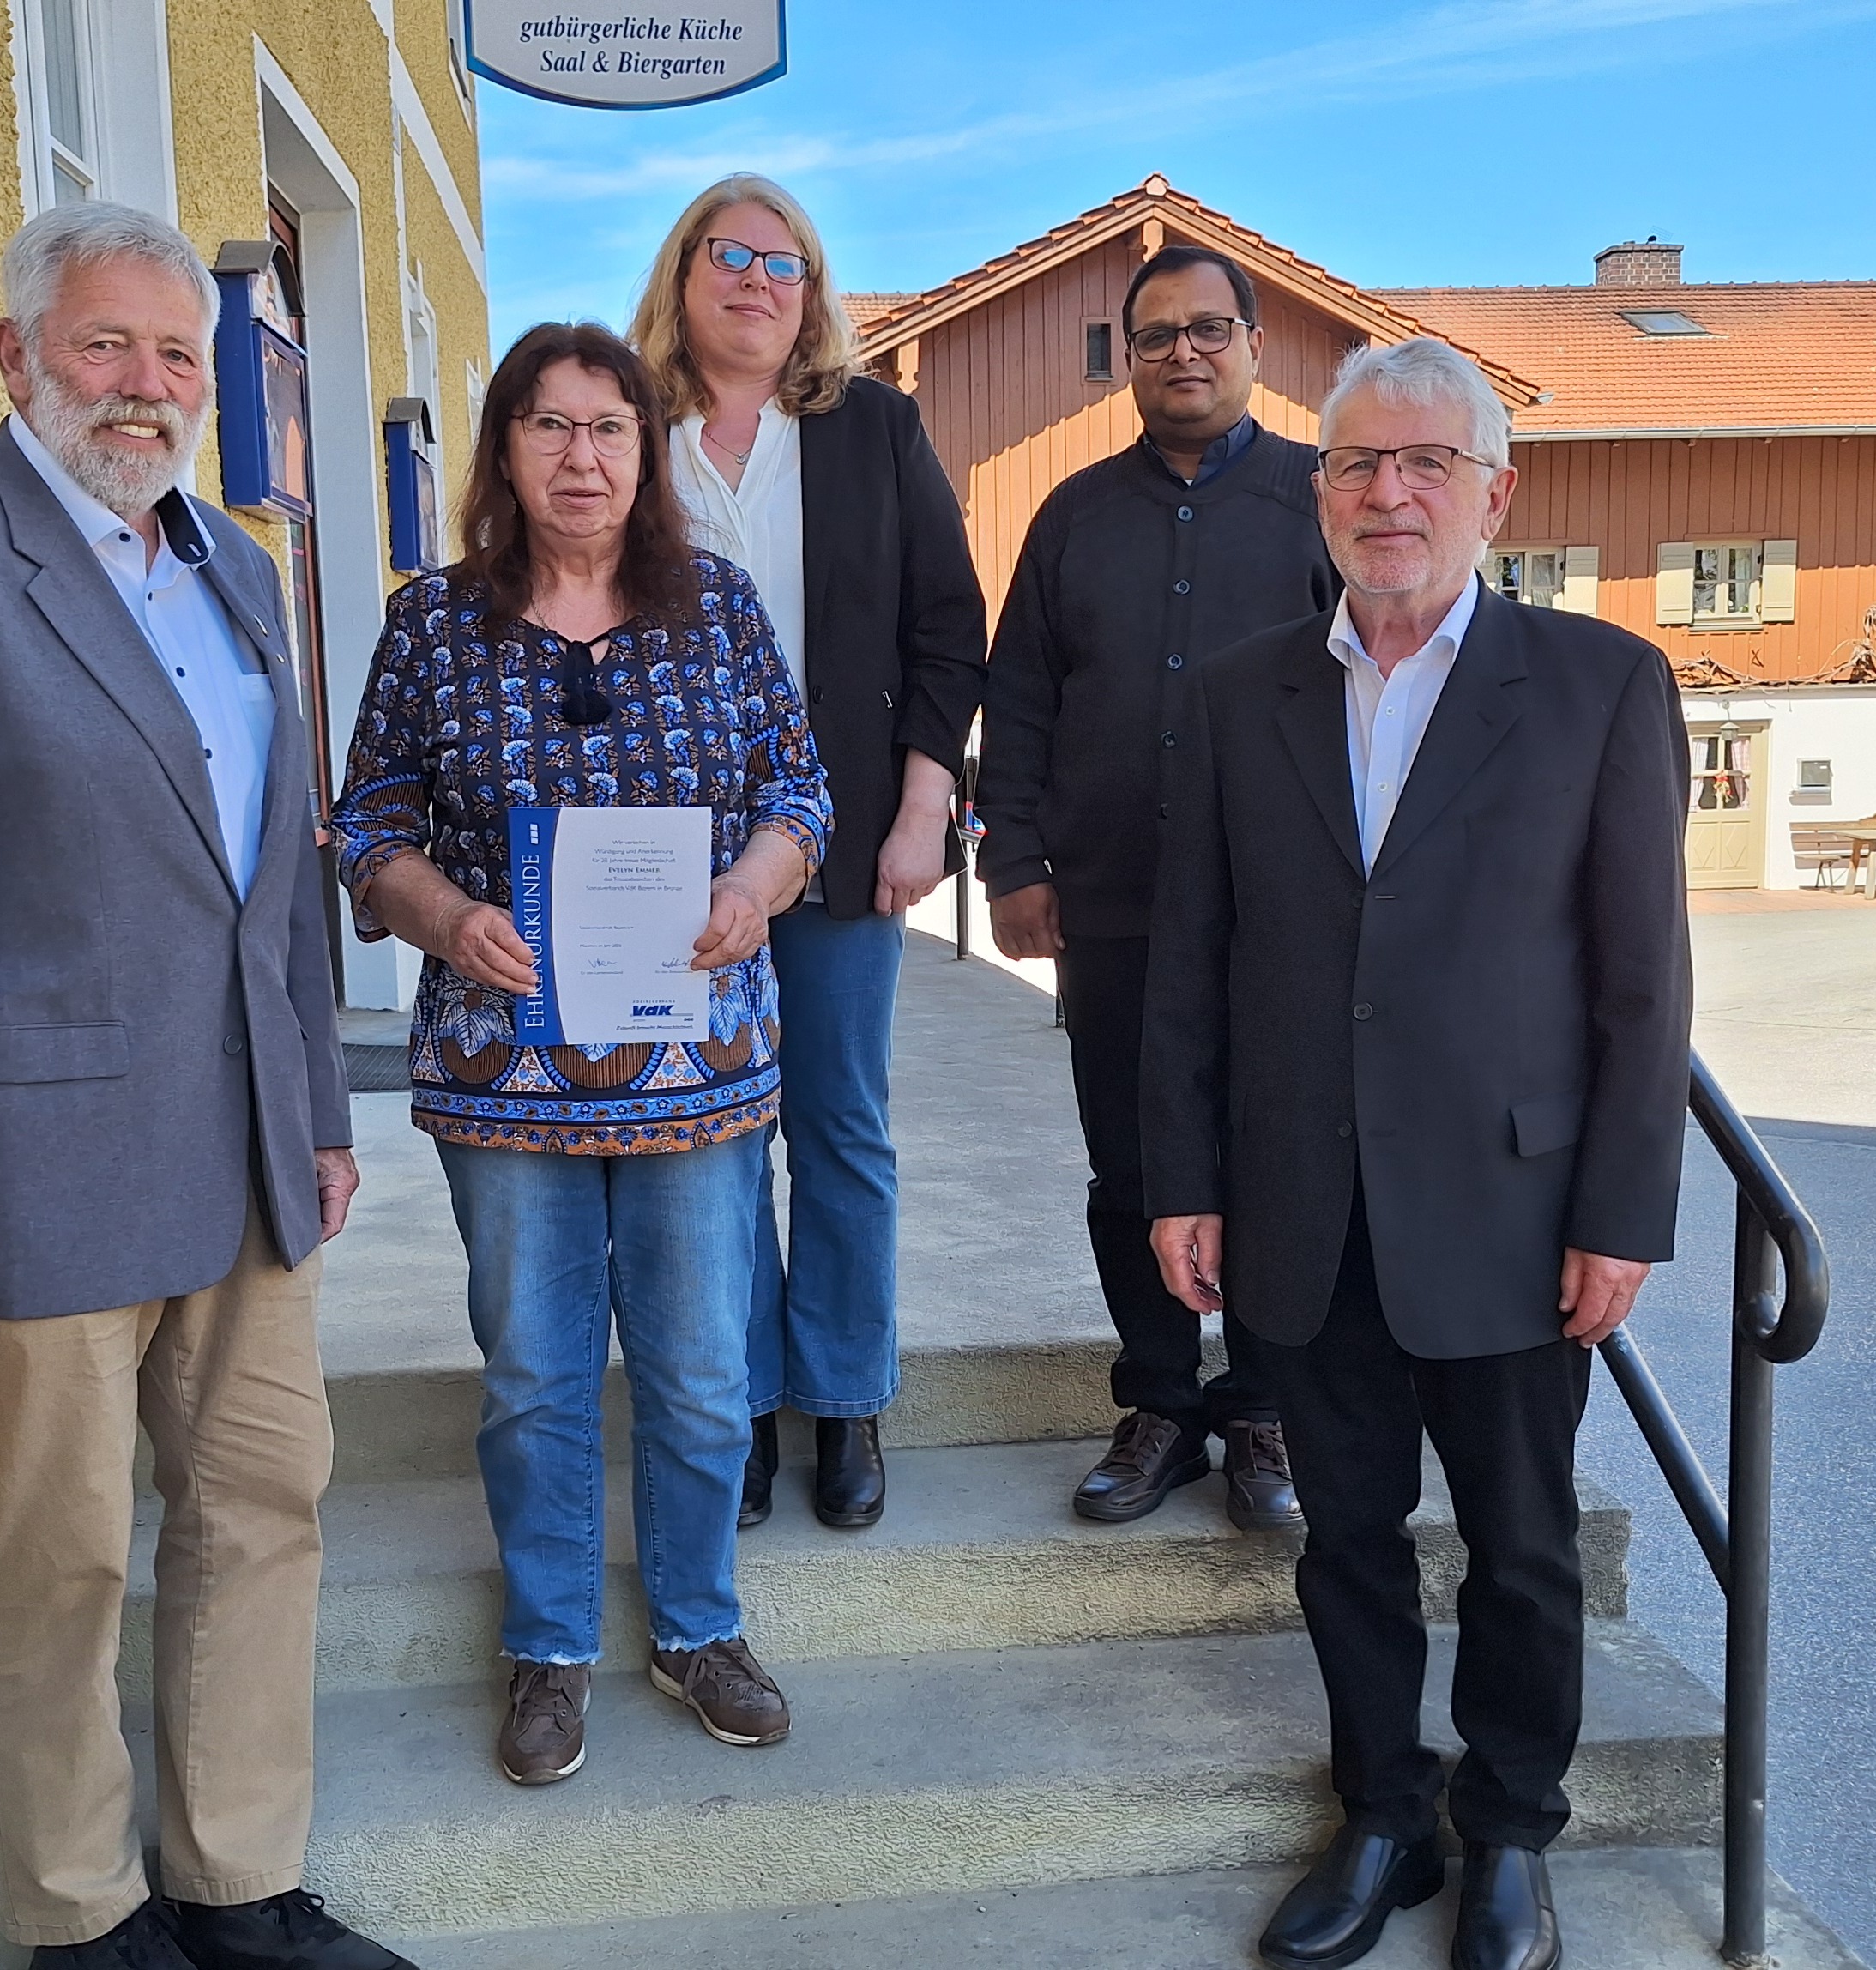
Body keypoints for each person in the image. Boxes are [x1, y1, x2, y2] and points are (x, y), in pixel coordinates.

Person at [0, 202, 408, 1970]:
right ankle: (77, 1912)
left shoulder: (239, 572)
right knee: (59, 1559)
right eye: (105, 343)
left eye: (176, 353)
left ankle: (240, 1884)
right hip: (36, 1175)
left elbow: (275, 877)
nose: (145, 385)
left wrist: (321, 1110)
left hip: (250, 1159)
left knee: (264, 1513)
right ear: (18, 355)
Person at [1139, 337, 1690, 1970]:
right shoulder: (1241, 692)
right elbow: (1192, 961)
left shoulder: (1600, 685)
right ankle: (1383, 1811)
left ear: (1493, 495)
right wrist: (1186, 1178)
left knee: (1523, 1547)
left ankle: (1512, 1832)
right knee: (1349, 1542)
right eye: (1358, 464)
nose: (1390, 493)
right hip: (1304, 1204)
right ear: (1321, 493)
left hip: (1515, 1210)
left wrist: (1622, 1212)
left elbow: (1644, 983)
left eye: (1426, 463)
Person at [331, 322, 829, 1792]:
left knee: (699, 1370)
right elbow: (371, 822)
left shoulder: (719, 608)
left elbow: (798, 791)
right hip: (504, 1069)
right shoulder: (433, 623)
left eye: (610, 428)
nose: (582, 457)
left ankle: (697, 1628)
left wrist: (755, 889)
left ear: (645, 452)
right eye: (548, 426)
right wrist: (447, 915)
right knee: (536, 1375)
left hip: (698, 1068)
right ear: (505, 449)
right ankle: (548, 1644)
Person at [629, 173, 989, 1532]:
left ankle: (844, 1398)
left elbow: (947, 628)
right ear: (683, 276)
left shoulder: (871, 429)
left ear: (814, 295)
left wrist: (923, 806)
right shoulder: (630, 429)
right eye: (730, 256)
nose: (758, 282)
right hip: (666, 853)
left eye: (786, 265)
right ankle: (737, 1405)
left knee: (839, 1123)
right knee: (711, 1138)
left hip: (840, 840)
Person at [975, 243, 1336, 1529]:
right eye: (1155, 335)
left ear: (1254, 346)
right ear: (1127, 360)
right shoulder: (1074, 516)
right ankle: (1162, 1405)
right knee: (1129, 1164)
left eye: (1207, 329)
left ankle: (1267, 1408)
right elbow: (1020, 699)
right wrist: (1014, 864)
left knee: (1272, 1156)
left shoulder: (1320, 500)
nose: (1183, 352)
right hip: (1115, 905)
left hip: (1281, 913)